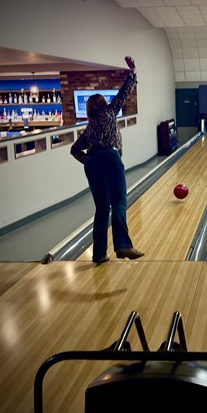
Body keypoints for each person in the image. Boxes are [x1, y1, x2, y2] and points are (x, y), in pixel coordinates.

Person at [71, 55, 144, 265]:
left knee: (102, 209)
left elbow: (74, 149)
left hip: (92, 163)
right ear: (104, 104)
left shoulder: (90, 126)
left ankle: (99, 255)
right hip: (111, 158)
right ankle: (122, 245)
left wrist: (88, 161)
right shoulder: (110, 112)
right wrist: (132, 72)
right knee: (119, 202)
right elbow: (124, 93)